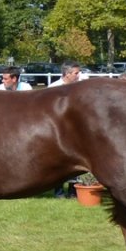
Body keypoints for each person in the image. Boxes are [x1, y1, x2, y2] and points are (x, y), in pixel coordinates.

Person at [49, 61, 83, 198]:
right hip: (58, 129)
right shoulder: (53, 88)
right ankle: (58, 191)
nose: (78, 76)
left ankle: (73, 190)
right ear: (67, 74)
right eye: (76, 73)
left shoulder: (79, 88)